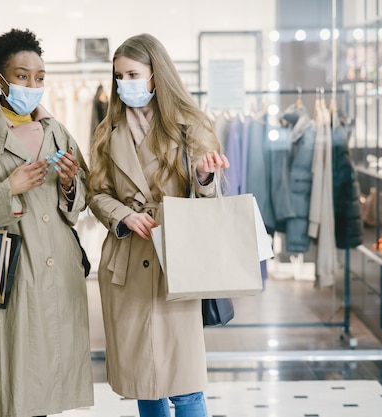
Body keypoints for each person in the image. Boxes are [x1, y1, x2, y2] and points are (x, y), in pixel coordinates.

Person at [0, 28, 93, 417]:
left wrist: (70, 183)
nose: (32, 84)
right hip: (11, 276)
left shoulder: (58, 131)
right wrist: (6, 189)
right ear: (0, 79)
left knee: (52, 384)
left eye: (39, 77)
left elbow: (82, 198)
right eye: (22, 75)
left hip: (58, 273)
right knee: (17, 390)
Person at [86, 33, 230, 417]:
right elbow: (96, 193)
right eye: (119, 76)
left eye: (133, 74)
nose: (124, 84)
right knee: (144, 384)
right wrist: (123, 215)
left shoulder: (190, 126)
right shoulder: (107, 132)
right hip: (127, 265)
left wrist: (203, 177)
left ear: (156, 74)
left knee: (185, 387)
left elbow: (208, 203)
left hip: (175, 264)